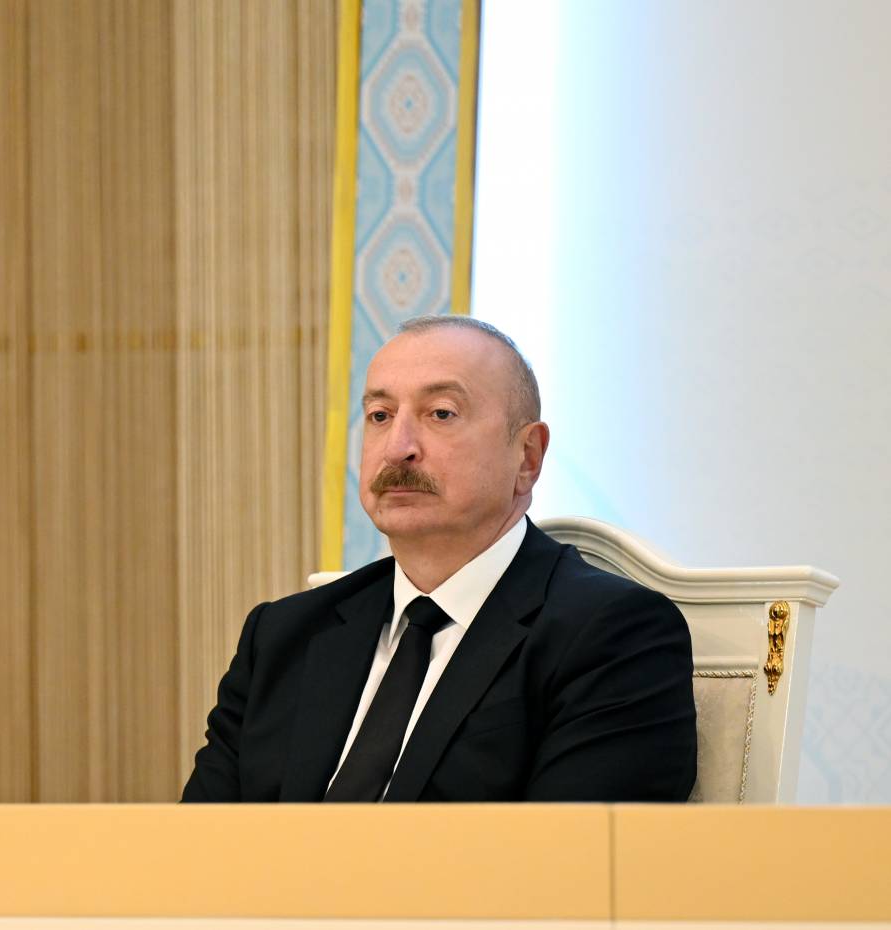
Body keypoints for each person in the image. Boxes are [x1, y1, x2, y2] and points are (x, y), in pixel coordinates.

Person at [181, 315, 696, 802]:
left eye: (441, 414)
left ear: (528, 456)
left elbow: (575, 856)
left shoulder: (612, 635)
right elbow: (196, 845)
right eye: (380, 416)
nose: (397, 448)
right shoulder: (283, 635)